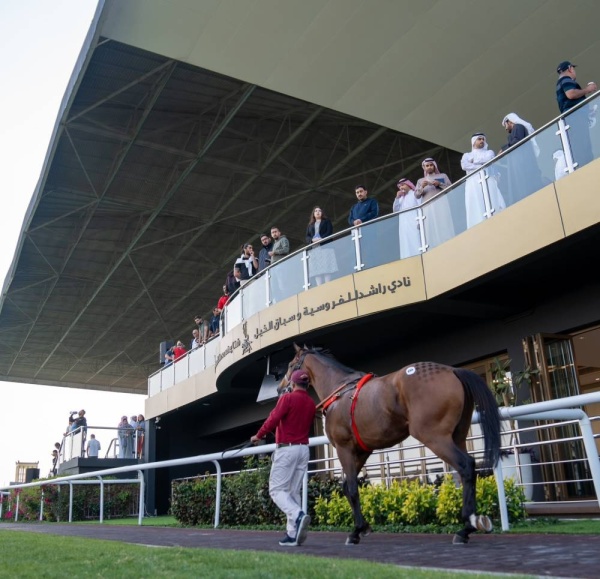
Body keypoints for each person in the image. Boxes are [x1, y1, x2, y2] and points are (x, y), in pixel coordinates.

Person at [250, 369, 316, 547]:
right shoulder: (311, 403)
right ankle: (292, 533)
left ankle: (298, 515)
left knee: (276, 490)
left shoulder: (287, 398)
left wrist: (259, 435)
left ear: (292, 384)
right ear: (307, 385)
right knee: (292, 492)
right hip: (303, 450)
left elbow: (273, 418)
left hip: (287, 449)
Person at [556, 61, 597, 168]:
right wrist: (588, 89)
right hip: (574, 118)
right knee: (583, 146)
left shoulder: (561, 83)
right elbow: (571, 94)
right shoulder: (566, 80)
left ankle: (586, 165)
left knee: (581, 145)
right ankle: (587, 166)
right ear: (570, 69)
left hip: (573, 118)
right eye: (573, 69)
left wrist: (587, 111)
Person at [461, 134, 506, 228]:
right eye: (479, 139)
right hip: (473, 182)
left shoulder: (489, 152)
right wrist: (480, 165)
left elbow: (489, 159)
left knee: (491, 198)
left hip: (487, 178)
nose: (482, 141)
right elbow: (464, 165)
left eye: (483, 139)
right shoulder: (467, 155)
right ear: (474, 142)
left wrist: (474, 162)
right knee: (475, 202)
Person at [499, 113, 543, 204]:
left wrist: (503, 150)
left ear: (510, 121)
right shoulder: (516, 129)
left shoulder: (518, 127)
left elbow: (516, 142)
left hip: (521, 162)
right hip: (519, 161)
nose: (506, 128)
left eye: (505, 125)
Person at [415, 158, 455, 248]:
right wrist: (422, 187)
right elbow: (417, 195)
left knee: (443, 223)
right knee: (430, 226)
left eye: (431, 165)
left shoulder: (443, 176)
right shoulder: (420, 181)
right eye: (427, 166)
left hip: (441, 204)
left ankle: (447, 243)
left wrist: (439, 184)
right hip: (427, 207)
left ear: (434, 166)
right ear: (424, 167)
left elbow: (451, 189)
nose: (429, 167)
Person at [305, 206, 337, 286]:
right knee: (316, 268)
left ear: (322, 213)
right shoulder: (310, 225)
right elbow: (307, 236)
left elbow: (329, 232)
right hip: (315, 248)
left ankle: (327, 284)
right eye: (316, 211)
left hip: (325, 246)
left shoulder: (326, 221)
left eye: (319, 211)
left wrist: (321, 239)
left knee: (326, 266)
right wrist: (312, 240)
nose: (318, 212)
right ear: (313, 214)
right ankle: (319, 285)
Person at [393, 179, 421, 259]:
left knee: (416, 240)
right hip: (404, 226)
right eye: (399, 186)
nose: (401, 187)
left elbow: (420, 206)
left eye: (403, 185)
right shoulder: (400, 198)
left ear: (408, 185)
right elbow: (395, 211)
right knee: (406, 243)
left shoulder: (415, 194)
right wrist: (397, 198)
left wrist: (419, 221)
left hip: (414, 223)